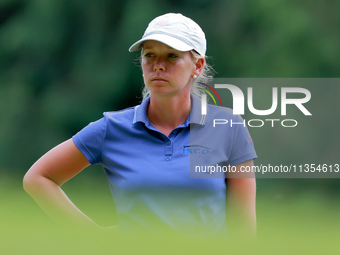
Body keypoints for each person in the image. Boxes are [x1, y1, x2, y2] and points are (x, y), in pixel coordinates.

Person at [23, 13, 257, 236]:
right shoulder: (111, 128)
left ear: (197, 66)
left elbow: (243, 231)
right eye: (150, 55)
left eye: (172, 56)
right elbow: (39, 178)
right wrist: (92, 236)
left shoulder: (229, 127)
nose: (158, 65)